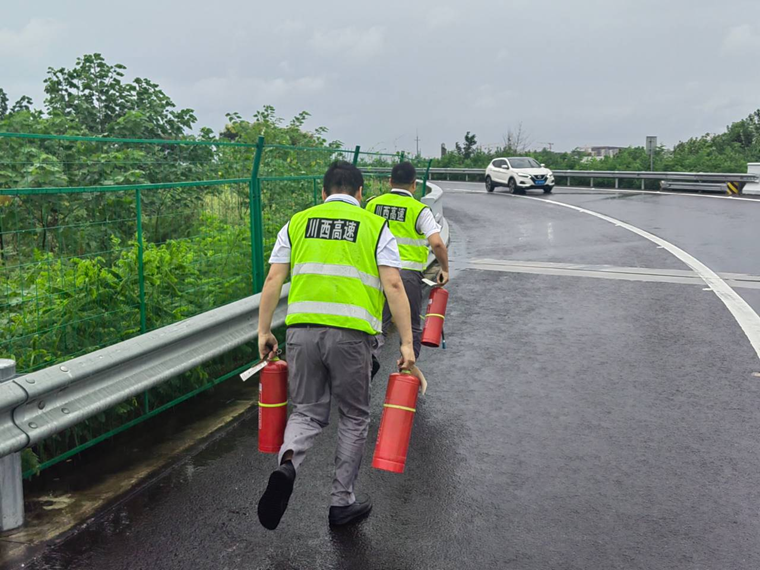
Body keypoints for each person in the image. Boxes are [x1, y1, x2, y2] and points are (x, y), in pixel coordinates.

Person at [256, 161, 416, 530]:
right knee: (354, 415)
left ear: (323, 193)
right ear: (361, 194)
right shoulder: (375, 227)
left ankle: (287, 466)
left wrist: (264, 331)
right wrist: (407, 343)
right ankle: (341, 502)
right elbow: (393, 286)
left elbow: (273, 278)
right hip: (351, 336)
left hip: (301, 332)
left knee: (308, 411)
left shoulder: (297, 223)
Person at [366, 162, 449, 367]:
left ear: (390, 181)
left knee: (377, 324)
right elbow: (437, 242)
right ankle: (407, 370)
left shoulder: (372, 204)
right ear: (414, 185)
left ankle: (368, 365)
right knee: (410, 326)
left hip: (376, 274)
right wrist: (444, 269)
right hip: (407, 275)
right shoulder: (419, 210)